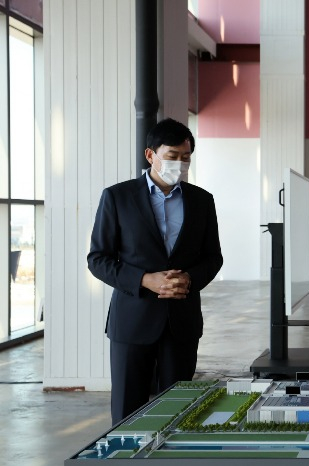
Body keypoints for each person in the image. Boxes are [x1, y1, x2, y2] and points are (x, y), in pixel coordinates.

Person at [87, 118, 223, 424]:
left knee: (178, 411)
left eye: (186, 157)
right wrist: (145, 280)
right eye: (172, 156)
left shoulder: (202, 201)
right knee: (127, 412)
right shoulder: (117, 197)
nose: (180, 163)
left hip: (182, 322)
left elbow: (213, 257)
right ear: (151, 155)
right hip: (132, 321)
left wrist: (189, 279)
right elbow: (98, 258)